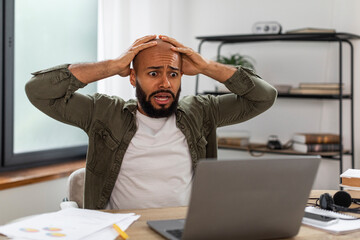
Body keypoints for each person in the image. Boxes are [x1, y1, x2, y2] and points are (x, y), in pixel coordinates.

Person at [25, 35, 277, 210]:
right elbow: (38, 90)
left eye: (173, 74)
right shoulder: (103, 112)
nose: (165, 84)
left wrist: (206, 66)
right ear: (133, 77)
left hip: (183, 228)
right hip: (125, 231)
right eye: (154, 73)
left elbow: (263, 98)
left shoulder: (201, 111)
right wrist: (112, 66)